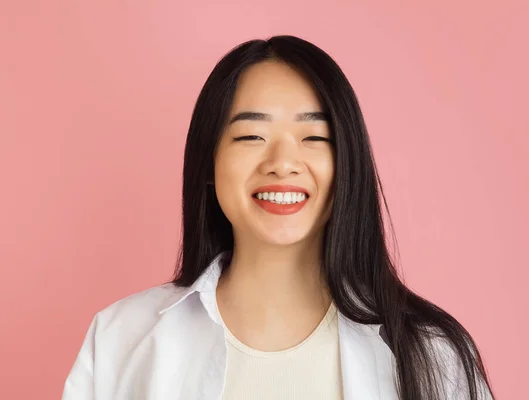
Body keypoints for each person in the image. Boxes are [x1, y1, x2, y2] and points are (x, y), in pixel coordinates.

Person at [62, 35, 495, 400]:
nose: (283, 162)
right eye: (251, 135)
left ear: (349, 163)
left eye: (314, 136)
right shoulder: (120, 338)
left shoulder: (433, 352)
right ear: (209, 163)